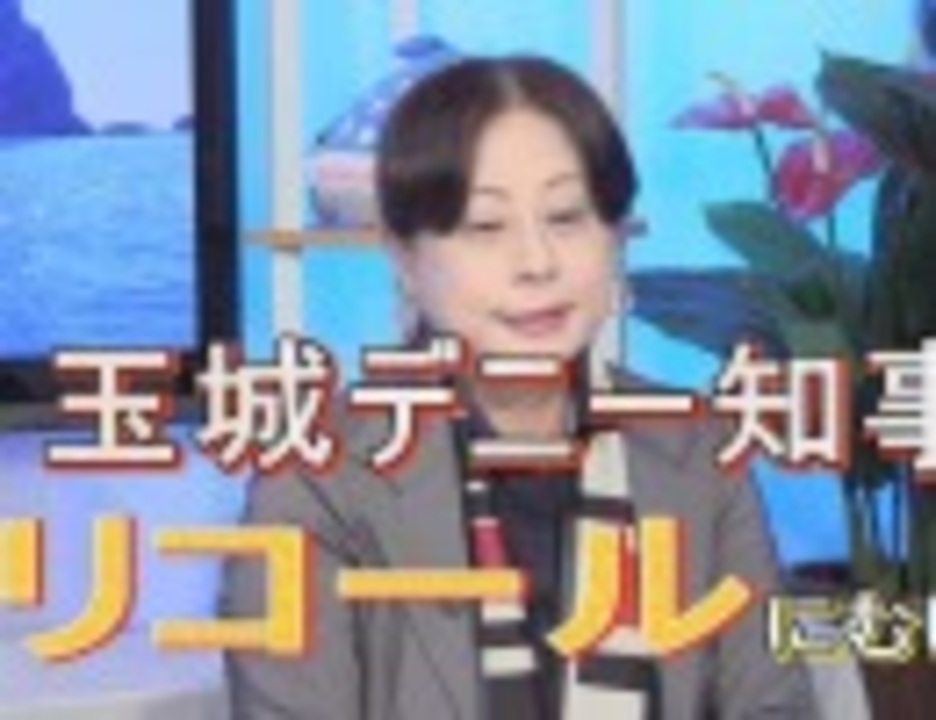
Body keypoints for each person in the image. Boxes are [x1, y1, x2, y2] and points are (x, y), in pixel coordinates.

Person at [222, 55, 819, 720]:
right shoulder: (317, 478)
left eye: (566, 216)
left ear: (614, 234)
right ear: (404, 256)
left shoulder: (696, 448)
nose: (537, 263)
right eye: (486, 226)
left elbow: (773, 705)